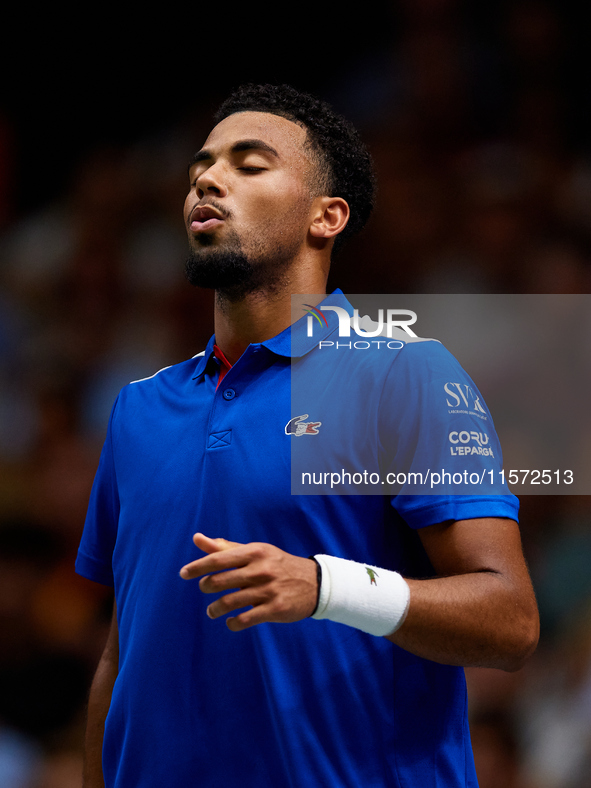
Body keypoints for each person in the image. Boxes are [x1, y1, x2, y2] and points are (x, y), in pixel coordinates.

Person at [76, 84, 539, 788]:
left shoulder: (399, 371)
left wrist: (327, 585)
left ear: (326, 217)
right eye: (201, 166)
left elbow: (508, 622)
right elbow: (121, 655)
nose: (207, 178)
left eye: (249, 163)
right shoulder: (138, 407)